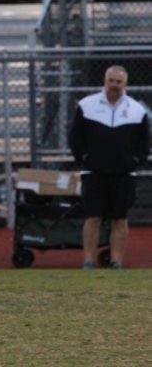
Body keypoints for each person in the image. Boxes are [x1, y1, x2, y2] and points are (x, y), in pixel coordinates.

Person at [68, 65, 149, 270]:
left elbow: (144, 143)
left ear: (125, 84)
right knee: (92, 217)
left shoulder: (137, 111)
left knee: (120, 218)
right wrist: (84, 158)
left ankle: (116, 262)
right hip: (93, 172)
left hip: (124, 174)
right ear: (105, 81)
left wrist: (135, 161)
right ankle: (88, 261)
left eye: (119, 82)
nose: (114, 85)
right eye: (111, 81)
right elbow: (75, 137)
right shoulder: (86, 106)